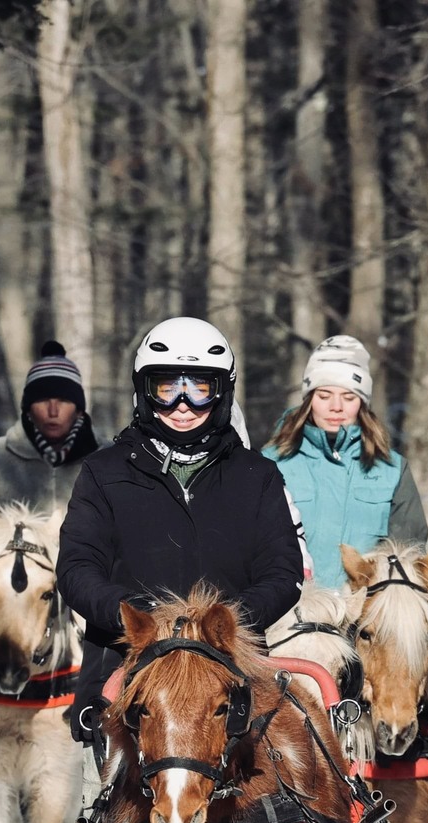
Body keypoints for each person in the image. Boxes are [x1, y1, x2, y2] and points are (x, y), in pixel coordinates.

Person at [58, 317, 305, 740]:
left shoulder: (256, 475)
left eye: (199, 388)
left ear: (222, 392)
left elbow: (283, 573)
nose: (183, 404)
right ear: (144, 392)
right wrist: (142, 620)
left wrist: (221, 625)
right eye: (167, 388)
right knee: (109, 803)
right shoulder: (104, 473)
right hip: (126, 676)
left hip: (230, 677)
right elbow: (77, 568)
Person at [261, 335, 427, 582]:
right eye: (324, 395)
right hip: (294, 613)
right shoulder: (271, 463)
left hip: (364, 614)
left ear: (362, 402)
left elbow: (407, 555)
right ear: (309, 399)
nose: (336, 407)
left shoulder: (392, 470)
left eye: (349, 397)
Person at [0, 341, 99, 570]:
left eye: (64, 400)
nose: (53, 411)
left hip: (90, 595)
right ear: (27, 407)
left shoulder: (108, 460)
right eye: (43, 400)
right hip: (9, 592)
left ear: (79, 408)